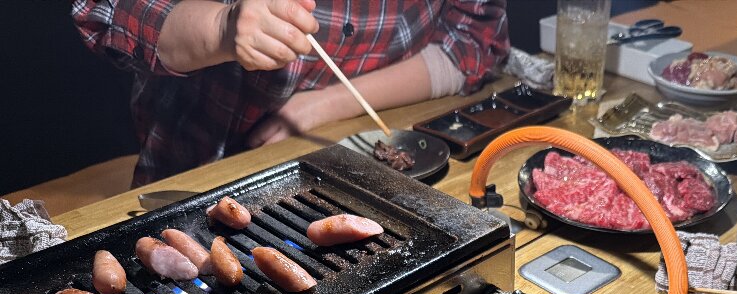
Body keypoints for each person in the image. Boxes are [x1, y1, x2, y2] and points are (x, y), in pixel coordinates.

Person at [71, 0, 509, 186]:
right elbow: (106, 11)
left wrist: (323, 105)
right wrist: (222, 27)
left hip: (354, 159)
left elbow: (472, 43)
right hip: (201, 173)